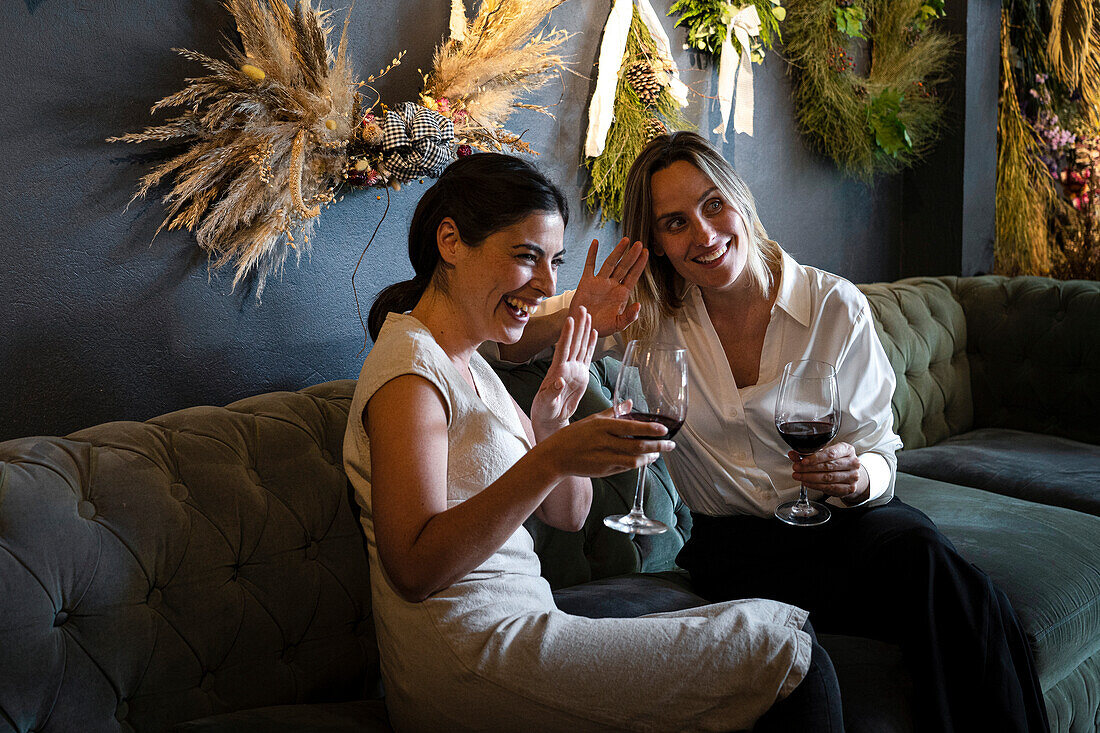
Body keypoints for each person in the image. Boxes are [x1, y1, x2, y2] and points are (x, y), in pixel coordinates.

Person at [498, 131, 1050, 733]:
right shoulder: (646, 316)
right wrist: (581, 313)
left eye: (714, 205)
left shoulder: (833, 307)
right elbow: (504, 344)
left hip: (845, 527)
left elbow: (881, 453)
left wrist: (858, 474)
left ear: (741, 200)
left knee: (945, 578)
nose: (704, 235)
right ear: (656, 243)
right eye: (675, 223)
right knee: (969, 606)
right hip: (735, 553)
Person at [343, 152, 845, 732]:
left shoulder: (471, 363)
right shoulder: (409, 370)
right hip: (469, 657)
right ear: (451, 242)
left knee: (782, 641)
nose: (547, 283)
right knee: (781, 649)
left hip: (525, 623)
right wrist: (551, 457)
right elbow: (412, 568)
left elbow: (571, 515)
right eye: (527, 257)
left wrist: (552, 427)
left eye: (553, 261)